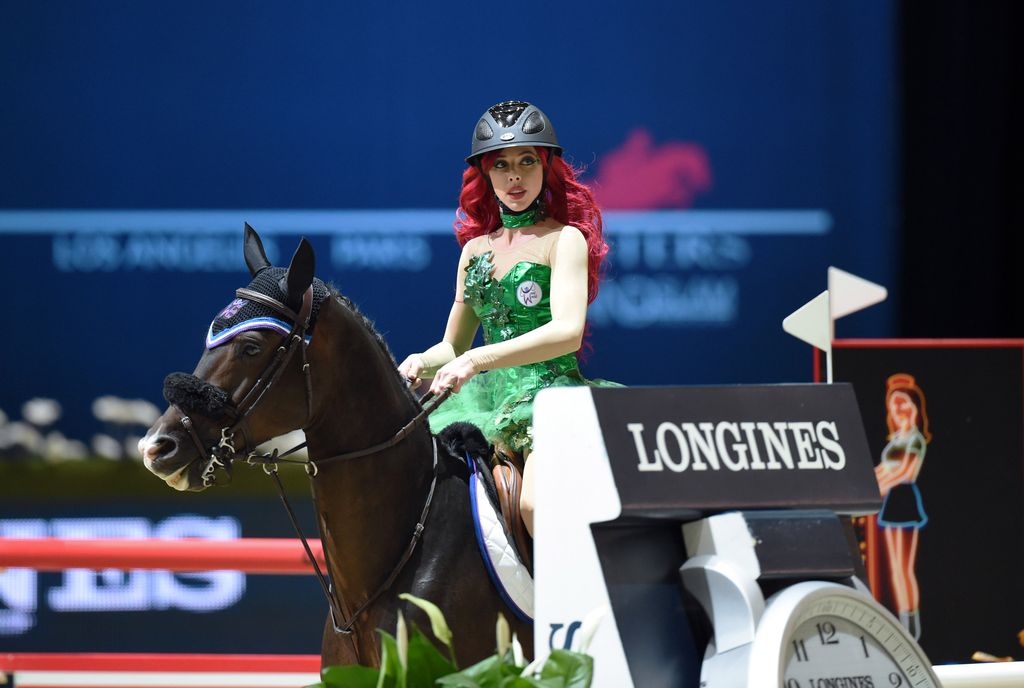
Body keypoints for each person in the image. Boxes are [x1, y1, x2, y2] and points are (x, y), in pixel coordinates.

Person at [398, 100, 619, 536]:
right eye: (501, 164)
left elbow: (568, 333)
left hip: (549, 398)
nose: (514, 176)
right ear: (485, 173)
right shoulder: (474, 252)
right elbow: (453, 347)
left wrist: (478, 361)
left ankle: (564, 603)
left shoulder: (564, 239)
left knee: (536, 507)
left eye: (526, 161)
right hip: (486, 403)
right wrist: (421, 361)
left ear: (547, 166)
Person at [874, 373, 931, 640]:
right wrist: (870, 481)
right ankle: (902, 623)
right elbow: (885, 469)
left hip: (905, 500)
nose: (899, 409)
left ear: (914, 406)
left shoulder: (915, 439)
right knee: (896, 568)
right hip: (892, 503)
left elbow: (904, 473)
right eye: (894, 403)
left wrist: (878, 487)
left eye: (903, 403)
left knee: (905, 567)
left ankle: (912, 627)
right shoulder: (896, 439)